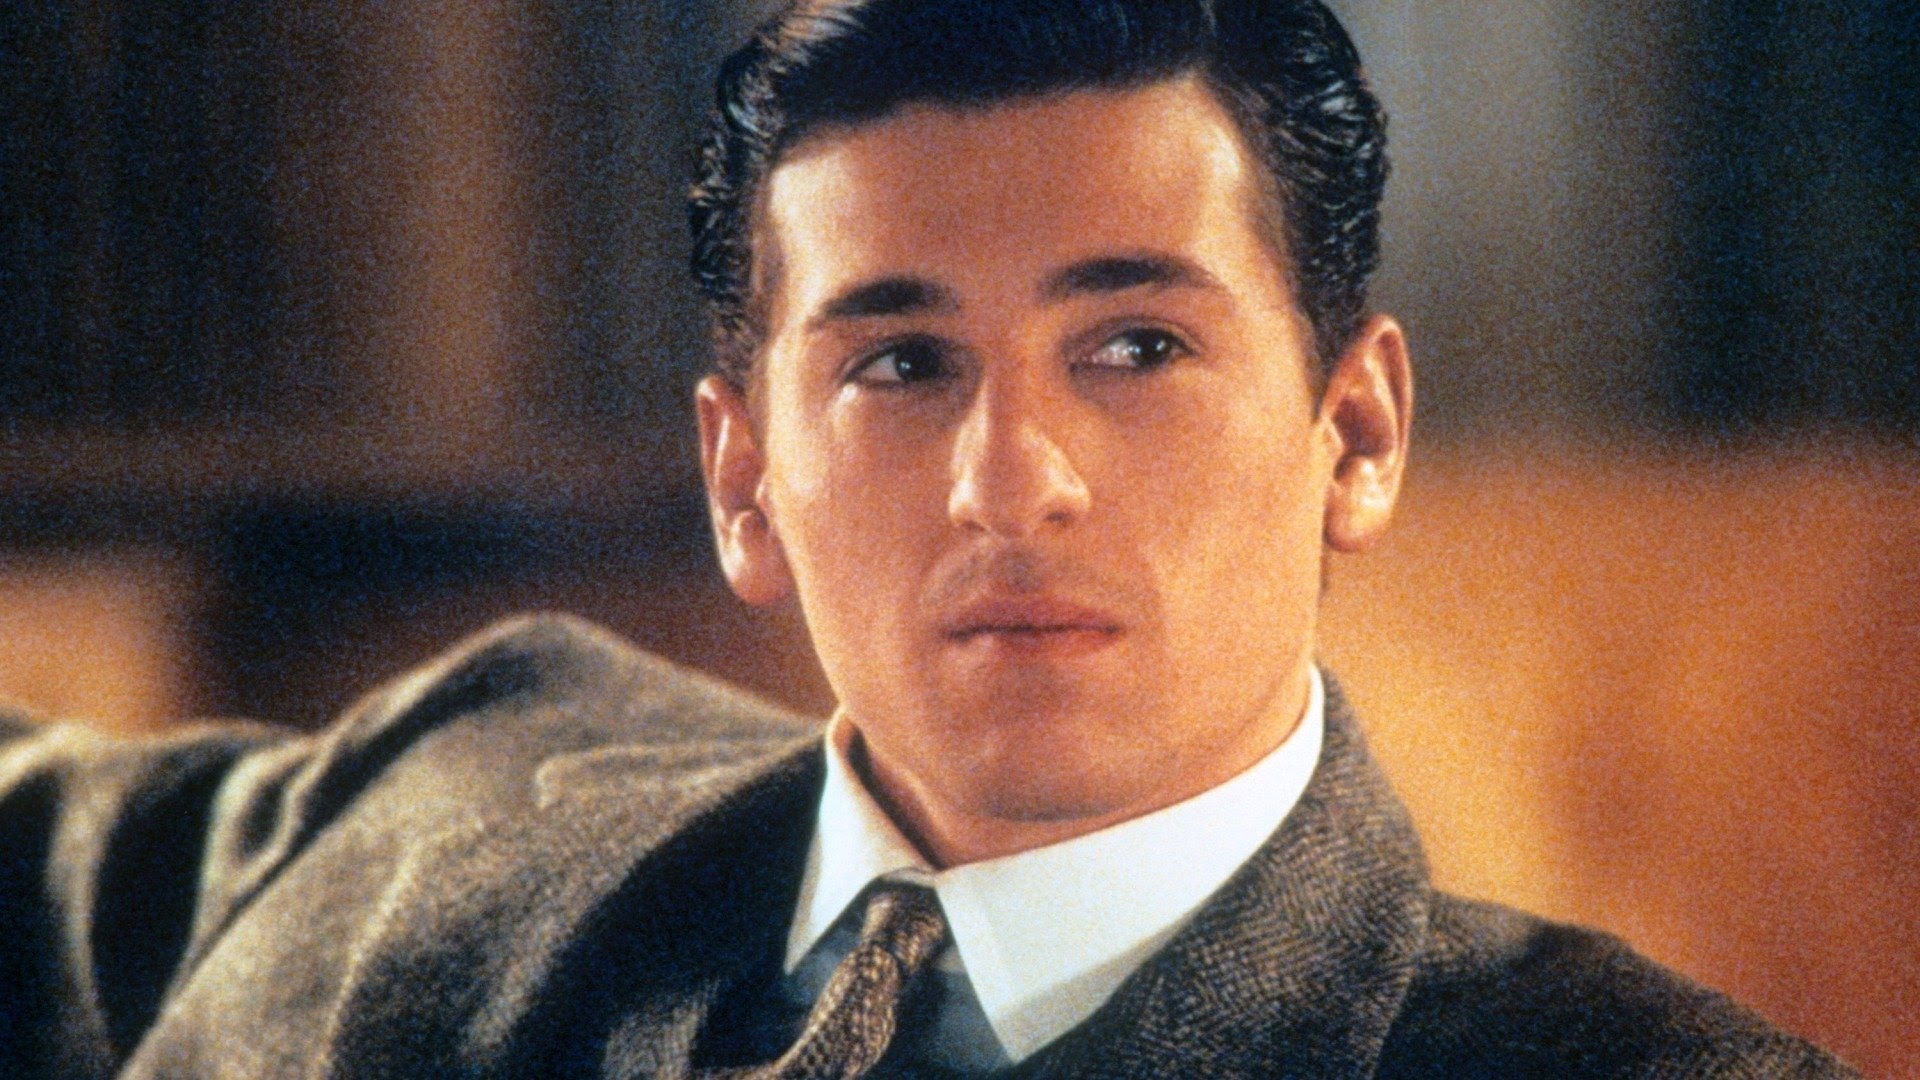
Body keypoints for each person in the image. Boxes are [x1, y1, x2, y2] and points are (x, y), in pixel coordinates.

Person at [0, 1, 1859, 1077]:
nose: (1009, 479)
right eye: (900, 363)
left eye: (1135, 347)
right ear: (744, 482)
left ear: (1354, 435)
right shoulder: (470, 795)